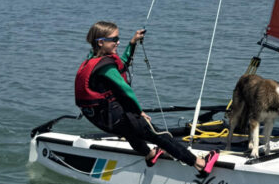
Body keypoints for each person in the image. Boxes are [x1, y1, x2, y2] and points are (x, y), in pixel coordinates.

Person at [75, 21, 210, 170]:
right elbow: (125, 91)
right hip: (115, 116)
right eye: (114, 39)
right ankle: (199, 163)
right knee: (158, 135)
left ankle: (149, 154)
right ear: (101, 42)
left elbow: (122, 64)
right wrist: (139, 112)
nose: (118, 42)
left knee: (129, 133)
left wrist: (133, 43)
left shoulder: (91, 60)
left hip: (101, 118)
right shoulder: (106, 68)